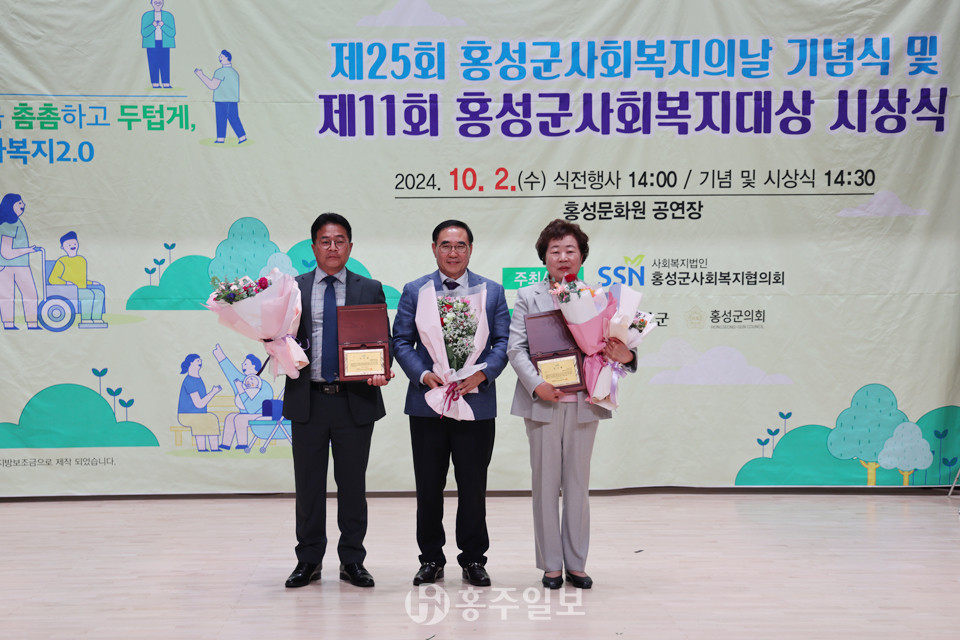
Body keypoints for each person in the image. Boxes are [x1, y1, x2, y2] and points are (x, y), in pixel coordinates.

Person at [506, 219, 638, 590]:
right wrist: (537, 384)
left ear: (581, 256)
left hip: (584, 401)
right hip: (544, 402)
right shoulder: (527, 296)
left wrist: (626, 355)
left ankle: (577, 563)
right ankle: (551, 565)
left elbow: (619, 347)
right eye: (555, 250)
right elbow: (515, 348)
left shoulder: (598, 297)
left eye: (570, 250)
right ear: (543, 257)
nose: (563, 257)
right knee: (545, 485)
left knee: (578, 484)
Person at [392, 220, 510, 587]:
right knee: (429, 486)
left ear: (471, 249)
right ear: (434, 249)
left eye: (460, 245)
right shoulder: (416, 290)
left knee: (473, 486)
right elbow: (401, 341)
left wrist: (482, 374)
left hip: (475, 402)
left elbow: (503, 342)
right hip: (428, 403)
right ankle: (431, 558)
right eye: (446, 245)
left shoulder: (491, 292)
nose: (453, 252)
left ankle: (473, 559)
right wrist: (424, 374)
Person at [282, 213, 392, 589]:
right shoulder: (293, 289)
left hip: (353, 400)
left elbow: (382, 340)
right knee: (308, 486)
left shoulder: (369, 288)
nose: (333, 247)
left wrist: (382, 369)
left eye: (340, 240)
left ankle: (352, 560)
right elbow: (278, 336)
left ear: (350, 246)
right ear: (314, 247)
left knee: (352, 485)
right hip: (308, 399)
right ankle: (308, 560)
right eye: (325, 241)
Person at [212, 344, 273, 451]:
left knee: (240, 418)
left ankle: (242, 445)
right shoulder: (242, 381)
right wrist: (220, 356)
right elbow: (230, 371)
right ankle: (225, 445)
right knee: (230, 417)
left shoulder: (264, 386)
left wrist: (241, 390)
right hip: (248, 415)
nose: (242, 365)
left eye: (245, 363)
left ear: (254, 366)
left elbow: (252, 408)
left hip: (263, 415)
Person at [48, 231, 107, 328]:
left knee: (99, 293)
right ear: (63, 247)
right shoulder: (62, 261)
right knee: (88, 294)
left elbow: (80, 279)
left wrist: (91, 283)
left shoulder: (81, 260)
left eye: (74, 243)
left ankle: (96, 319)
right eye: (69, 244)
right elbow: (52, 279)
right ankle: (86, 320)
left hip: (81, 288)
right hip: (68, 289)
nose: (72, 246)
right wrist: (65, 283)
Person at [0, 193, 40, 331]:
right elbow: (6, 252)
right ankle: (25, 324)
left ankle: (16, 325)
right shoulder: (9, 224)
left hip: (14, 265)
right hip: (12, 266)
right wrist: (29, 250)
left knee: (9, 295)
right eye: (20, 203)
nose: (23, 205)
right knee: (24, 294)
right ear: (10, 205)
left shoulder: (14, 221)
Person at [194, 50, 247, 144]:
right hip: (233, 100)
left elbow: (212, 86)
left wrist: (201, 75)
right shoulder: (234, 72)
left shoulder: (220, 72)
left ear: (227, 57)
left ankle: (221, 139)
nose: (219, 58)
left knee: (221, 119)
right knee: (233, 117)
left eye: (221, 56)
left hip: (221, 99)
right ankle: (241, 137)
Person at [176, 354, 223, 452]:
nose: (200, 361)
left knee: (209, 418)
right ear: (191, 363)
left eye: (200, 360)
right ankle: (205, 448)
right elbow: (199, 404)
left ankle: (212, 448)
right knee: (208, 419)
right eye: (197, 360)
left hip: (198, 414)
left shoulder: (197, 379)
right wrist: (213, 392)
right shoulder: (190, 381)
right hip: (187, 415)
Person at [140, 0, 176, 89]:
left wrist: (163, 25)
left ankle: (166, 83)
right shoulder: (146, 15)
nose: (157, 2)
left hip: (164, 44)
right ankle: (155, 83)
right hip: (151, 44)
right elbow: (144, 33)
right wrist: (153, 26)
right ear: (151, 2)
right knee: (153, 63)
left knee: (165, 63)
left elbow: (172, 33)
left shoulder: (168, 15)